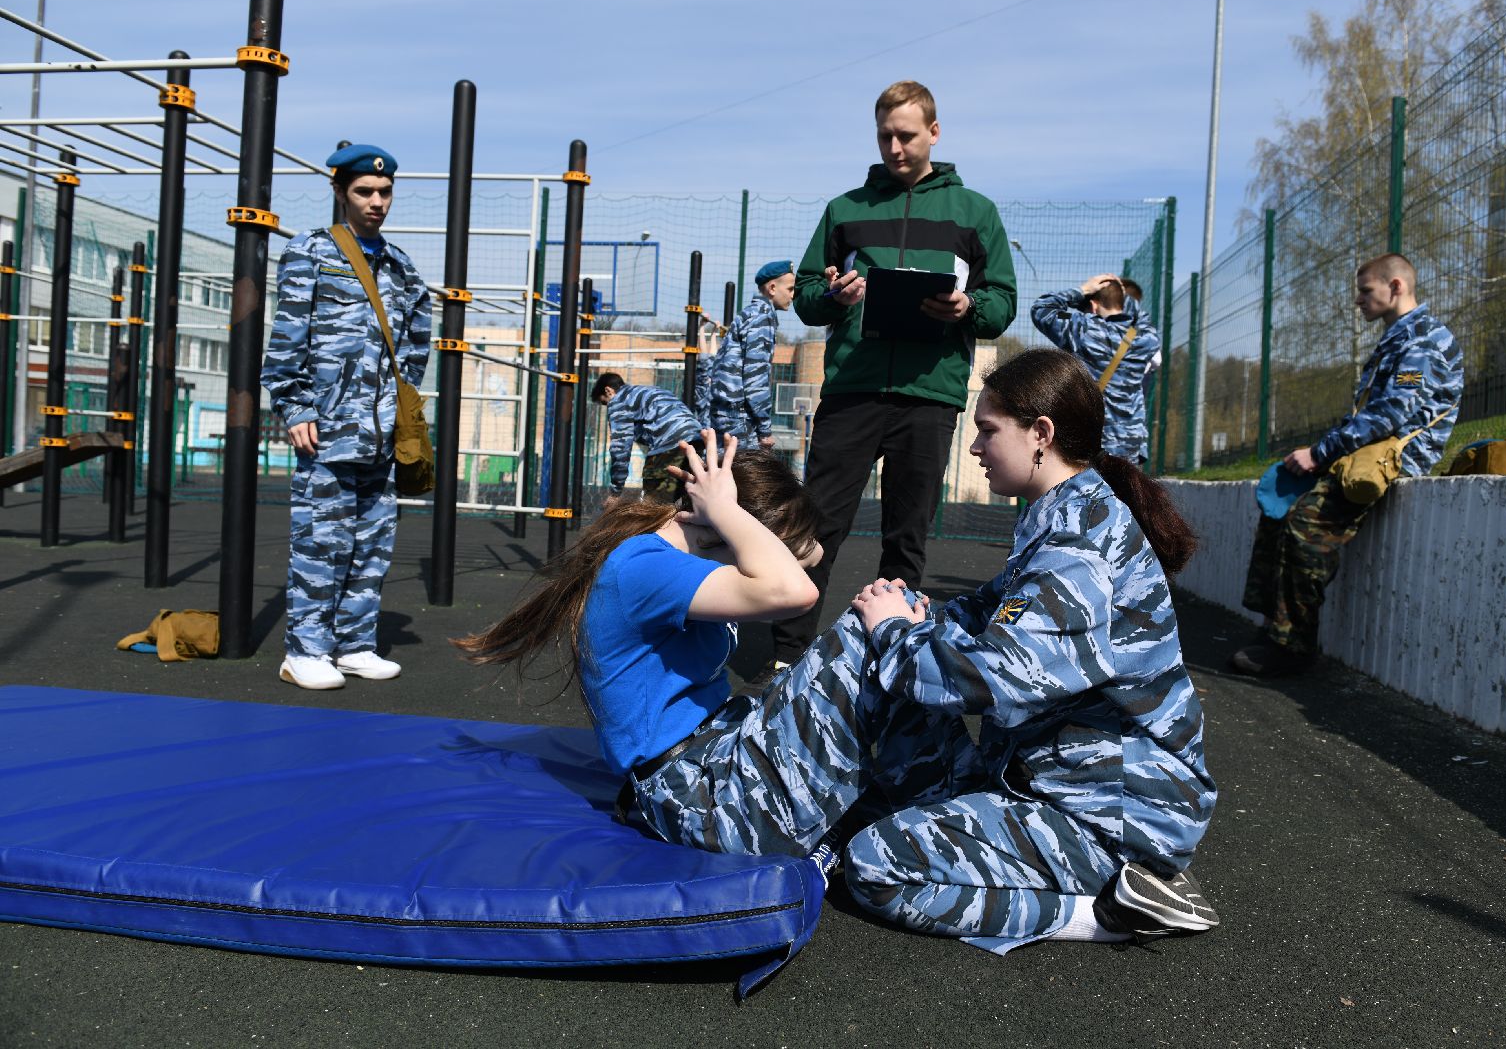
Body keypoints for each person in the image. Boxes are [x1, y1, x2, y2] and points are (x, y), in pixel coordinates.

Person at [458, 346, 1219, 951]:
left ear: (1041, 434)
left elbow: (988, 677)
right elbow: (953, 618)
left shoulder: (1074, 542)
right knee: (874, 649)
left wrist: (891, 628)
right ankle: (946, 822)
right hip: (704, 791)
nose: (977, 445)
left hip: (1106, 813)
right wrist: (904, 621)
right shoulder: (1062, 521)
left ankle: (1105, 908)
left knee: (877, 847)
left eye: (987, 430)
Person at [772, 79, 1017, 671]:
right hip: (852, 389)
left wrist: (968, 308)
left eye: (906, 135)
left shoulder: (975, 212)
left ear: (934, 132)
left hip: (929, 395)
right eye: (885, 135)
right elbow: (806, 295)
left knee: (906, 536)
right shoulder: (846, 210)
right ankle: (785, 657)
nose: (895, 147)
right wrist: (835, 296)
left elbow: (1003, 300)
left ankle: (889, 656)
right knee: (816, 526)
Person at [1231, 253, 1463, 677]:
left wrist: (1321, 454)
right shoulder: (1397, 337)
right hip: (1366, 452)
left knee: (1307, 524)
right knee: (1278, 508)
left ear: (1395, 286)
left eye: (1365, 290)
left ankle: (1293, 648)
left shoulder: (1424, 339)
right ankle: (1272, 628)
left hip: (1394, 460)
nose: (1358, 300)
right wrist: (1320, 451)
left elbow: (1391, 415)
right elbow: (1367, 415)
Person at [262, 143, 431, 691]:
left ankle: (354, 644)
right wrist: (293, 404)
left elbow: (416, 340)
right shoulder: (310, 252)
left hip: (381, 434)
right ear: (340, 192)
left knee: (372, 543)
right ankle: (304, 650)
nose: (377, 201)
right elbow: (286, 337)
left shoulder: (401, 266)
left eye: (385, 192)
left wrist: (398, 403)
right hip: (327, 429)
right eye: (364, 192)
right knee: (319, 542)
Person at [1030, 273, 1162, 465]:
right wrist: (1122, 296)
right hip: (1130, 442)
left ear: (1093, 305)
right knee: (1121, 494)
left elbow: (1041, 308)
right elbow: (1142, 318)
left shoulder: (1084, 330)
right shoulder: (1144, 338)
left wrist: (1082, 291)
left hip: (1092, 439)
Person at [709, 260, 792, 449]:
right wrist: (764, 428)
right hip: (741, 416)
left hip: (725, 411)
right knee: (745, 476)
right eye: (790, 289)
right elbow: (755, 376)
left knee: (725, 470)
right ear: (772, 288)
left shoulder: (748, 313)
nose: (792, 295)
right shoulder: (763, 317)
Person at [590, 371, 704, 508]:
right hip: (696, 438)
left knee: (653, 505)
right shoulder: (648, 390)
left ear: (608, 390)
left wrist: (615, 491)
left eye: (604, 402)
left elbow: (620, 447)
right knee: (686, 494)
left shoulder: (619, 400)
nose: (607, 406)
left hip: (669, 442)